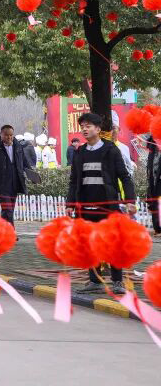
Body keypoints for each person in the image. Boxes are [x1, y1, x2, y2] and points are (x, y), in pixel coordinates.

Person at [66, 112, 137, 294]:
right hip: (85, 208)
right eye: (82, 126)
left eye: (88, 126)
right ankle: (95, 281)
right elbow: (74, 181)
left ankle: (117, 282)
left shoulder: (111, 150)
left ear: (98, 129)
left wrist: (130, 201)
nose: (84, 129)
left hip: (108, 207)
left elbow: (125, 177)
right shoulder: (79, 152)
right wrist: (70, 204)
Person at [0, 125, 27, 225]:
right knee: (7, 209)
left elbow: (24, 161)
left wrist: (31, 174)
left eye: (11, 135)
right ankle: (10, 231)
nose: (9, 137)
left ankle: (3, 229)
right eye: (6, 135)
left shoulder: (17, 146)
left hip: (15, 182)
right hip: (1, 184)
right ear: (1, 134)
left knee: (9, 208)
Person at [141, 135, 161, 235]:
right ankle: (157, 228)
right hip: (153, 180)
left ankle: (158, 227)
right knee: (155, 202)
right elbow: (150, 167)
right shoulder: (152, 146)